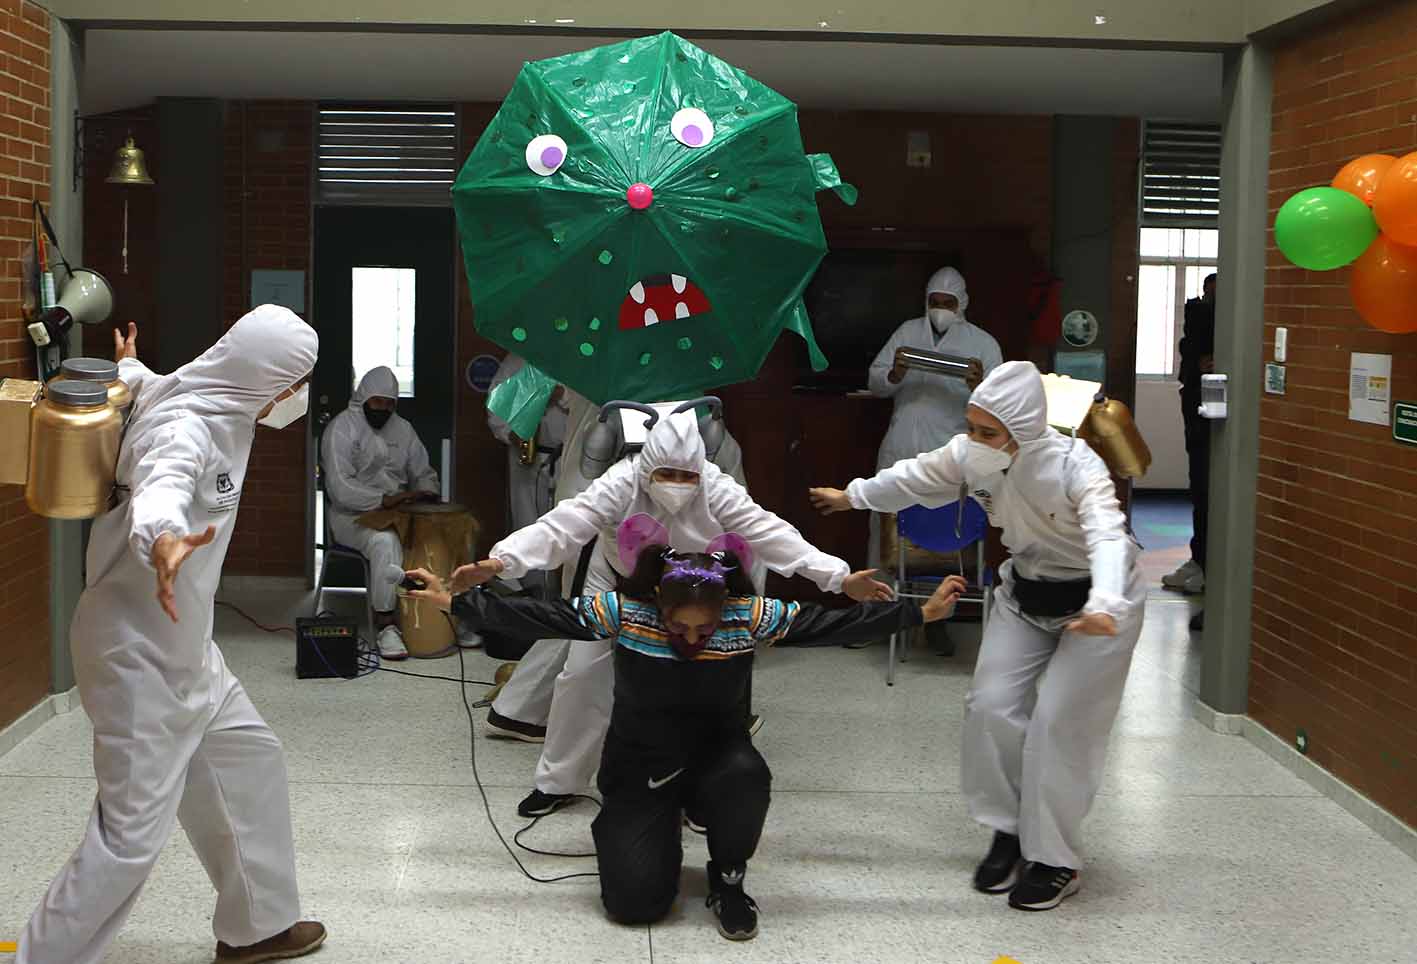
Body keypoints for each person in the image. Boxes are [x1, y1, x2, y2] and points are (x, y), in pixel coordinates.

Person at [409, 550, 965, 941]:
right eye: (682, 628)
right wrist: (457, 604)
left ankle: (727, 878)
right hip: (640, 762)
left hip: (716, 756)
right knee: (635, 905)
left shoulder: (749, 617)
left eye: (706, 629)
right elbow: (542, 615)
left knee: (746, 776)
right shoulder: (625, 613)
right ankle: (653, 828)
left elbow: (830, 624)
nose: (694, 640)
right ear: (658, 604)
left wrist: (918, 612)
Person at [19, 307, 326, 964]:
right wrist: (160, 537)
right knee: (128, 837)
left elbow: (138, 378)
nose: (291, 399)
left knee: (250, 761)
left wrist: (126, 357)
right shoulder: (192, 427)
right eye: (292, 382)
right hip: (136, 657)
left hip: (185, 649)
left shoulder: (187, 387)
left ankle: (257, 924)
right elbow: (165, 479)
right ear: (264, 375)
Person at [809, 361, 1145, 912]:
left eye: (987, 432)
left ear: (1024, 429)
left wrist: (1106, 601)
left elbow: (1108, 530)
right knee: (989, 706)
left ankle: (1056, 859)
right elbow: (914, 476)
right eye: (970, 427)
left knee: (1060, 723)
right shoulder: (971, 454)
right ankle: (1009, 831)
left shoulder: (1073, 464)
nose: (973, 441)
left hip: (1099, 603)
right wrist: (854, 496)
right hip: (1026, 591)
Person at [455, 410, 892, 818]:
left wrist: (839, 577)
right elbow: (565, 524)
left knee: (693, 687)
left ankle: (688, 787)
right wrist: (502, 561)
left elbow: (771, 533)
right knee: (582, 674)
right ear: (647, 469)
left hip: (695, 592)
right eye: (667, 475)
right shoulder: (622, 480)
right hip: (620, 580)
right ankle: (557, 782)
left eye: (688, 475)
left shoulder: (717, 487)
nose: (678, 484)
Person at [483, 397, 759, 745]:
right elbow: (567, 521)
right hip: (604, 545)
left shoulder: (708, 452)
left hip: (687, 569)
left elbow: (754, 534)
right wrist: (503, 559)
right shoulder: (611, 451)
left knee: (678, 652)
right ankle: (542, 738)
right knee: (584, 654)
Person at [867, 267, 1003, 574]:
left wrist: (978, 386)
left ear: (962, 304)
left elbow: (1000, 409)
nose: (940, 310)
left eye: (948, 303)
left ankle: (935, 610)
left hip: (946, 451)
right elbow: (876, 382)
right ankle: (881, 605)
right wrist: (895, 374)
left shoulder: (983, 343)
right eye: (935, 301)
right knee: (885, 521)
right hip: (900, 444)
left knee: (942, 534)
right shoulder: (908, 331)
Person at [321, 366, 441, 660]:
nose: (383, 409)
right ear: (363, 398)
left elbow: (423, 472)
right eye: (377, 402)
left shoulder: (403, 429)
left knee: (443, 533)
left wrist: (426, 493)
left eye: (389, 403)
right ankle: (386, 623)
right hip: (351, 517)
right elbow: (339, 488)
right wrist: (384, 500)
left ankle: (443, 615)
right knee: (385, 542)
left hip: (400, 511)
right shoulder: (342, 428)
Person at [487, 354, 579, 595]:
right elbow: (496, 405)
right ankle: (533, 595)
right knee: (527, 524)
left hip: (569, 457)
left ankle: (565, 595)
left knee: (567, 525)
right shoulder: (517, 359)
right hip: (528, 457)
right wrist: (510, 432)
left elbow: (593, 403)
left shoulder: (581, 352)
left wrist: (560, 394)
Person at [1166, 273, 1216, 631]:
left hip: (1216, 426)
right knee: (1199, 491)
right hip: (1197, 420)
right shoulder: (1196, 329)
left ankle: (1210, 568)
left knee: (1214, 496)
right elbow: (1190, 367)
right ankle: (1199, 561)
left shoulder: (1229, 330)